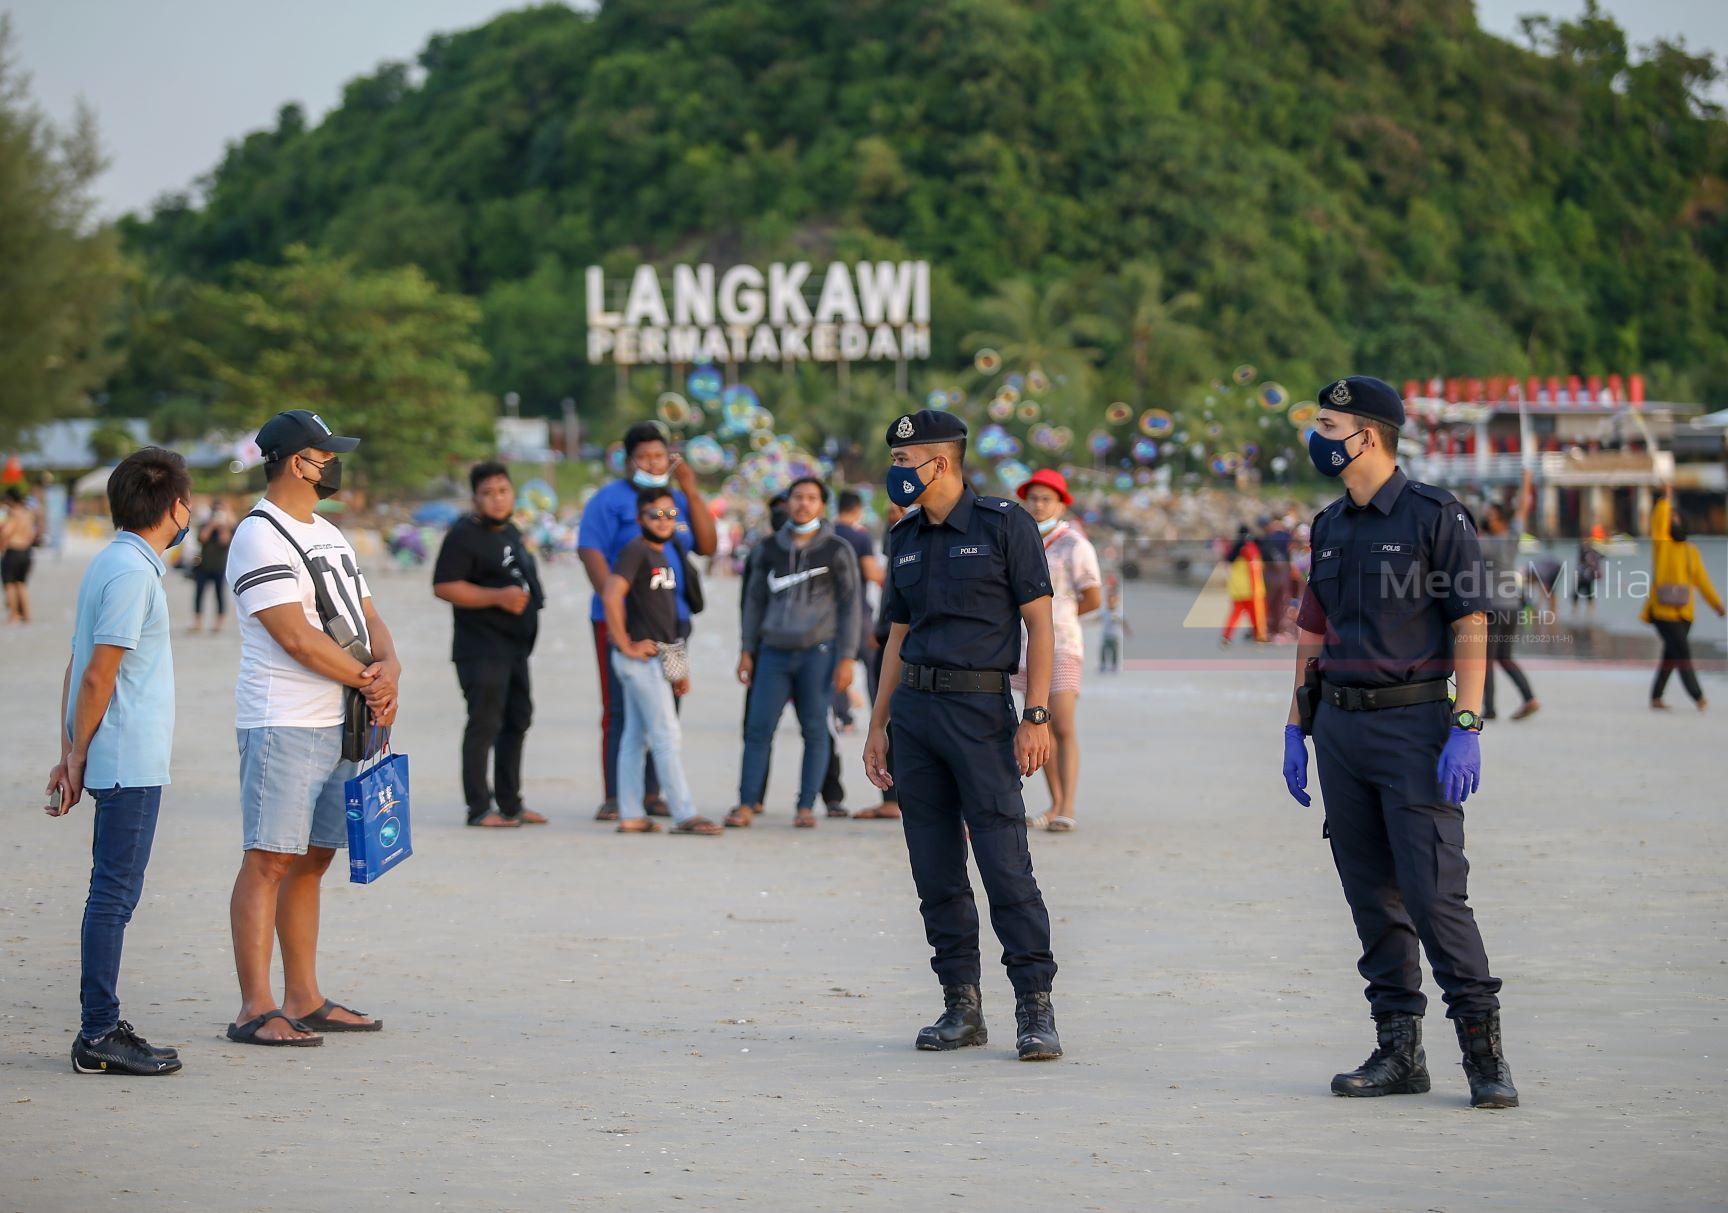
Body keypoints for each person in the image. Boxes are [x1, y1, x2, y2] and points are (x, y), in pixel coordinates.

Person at [1281, 376, 1518, 1110]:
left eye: (1328, 423)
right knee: (1370, 896)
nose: (1316, 436)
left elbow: (1470, 622)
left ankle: (1484, 1057)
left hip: (1415, 729)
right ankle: (1398, 1051)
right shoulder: (1328, 524)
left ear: (1371, 435)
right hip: (1340, 730)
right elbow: (1311, 633)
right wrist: (1295, 724)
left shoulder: (1434, 516)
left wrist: (1467, 725)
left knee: (1432, 892)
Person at [862, 409, 1063, 1062]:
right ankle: (961, 1004)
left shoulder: (1006, 525)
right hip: (915, 716)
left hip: (981, 714)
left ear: (939, 462)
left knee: (1006, 862)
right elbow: (896, 633)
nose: (894, 474)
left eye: (902, 462)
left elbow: (1041, 626)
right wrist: (877, 724)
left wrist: (1037, 717)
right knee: (935, 866)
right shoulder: (906, 536)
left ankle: (1035, 1006)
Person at [223, 410, 401, 1046]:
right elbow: (293, 637)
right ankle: (255, 1006)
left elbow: (368, 612)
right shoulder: (258, 534)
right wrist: (367, 680)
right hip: (284, 720)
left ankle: (303, 995)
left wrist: (390, 666)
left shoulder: (328, 532)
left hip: (342, 720)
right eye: (325, 454)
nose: (333, 463)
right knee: (269, 858)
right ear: (298, 461)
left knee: (312, 859)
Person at [45, 448, 191, 1076]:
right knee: (114, 895)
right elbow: (99, 673)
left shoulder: (116, 562)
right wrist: (76, 754)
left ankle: (100, 1027)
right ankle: (98, 1031)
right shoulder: (133, 574)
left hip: (115, 750)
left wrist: (69, 751)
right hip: (127, 756)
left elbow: (78, 667)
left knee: (111, 892)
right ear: (174, 506)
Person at [578, 422, 717, 821]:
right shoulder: (610, 501)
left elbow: (707, 546)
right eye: (644, 457)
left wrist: (690, 490)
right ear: (628, 460)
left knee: (667, 705)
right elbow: (591, 553)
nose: (653, 463)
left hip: (673, 625)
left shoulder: (674, 501)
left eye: (659, 456)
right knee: (622, 710)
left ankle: (649, 795)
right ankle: (620, 798)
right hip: (626, 626)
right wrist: (621, 619)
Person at [729, 477, 860, 829]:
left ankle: (805, 806)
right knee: (758, 730)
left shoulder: (836, 550)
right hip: (772, 652)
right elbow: (753, 603)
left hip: (818, 652)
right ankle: (745, 803)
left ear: (822, 505)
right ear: (787, 503)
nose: (803, 504)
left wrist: (846, 657)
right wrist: (746, 649)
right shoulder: (767, 549)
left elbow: (851, 606)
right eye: (797, 497)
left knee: (815, 730)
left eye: (811, 498)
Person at [601, 487, 723, 835]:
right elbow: (611, 594)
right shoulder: (636, 550)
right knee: (667, 734)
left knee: (635, 738)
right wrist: (624, 644)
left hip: (660, 657)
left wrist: (678, 668)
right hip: (640, 660)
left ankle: (631, 814)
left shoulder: (665, 553)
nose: (664, 520)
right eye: (655, 514)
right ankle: (685, 813)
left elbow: (666, 621)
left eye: (670, 514)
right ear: (640, 518)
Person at [433, 461, 547, 828]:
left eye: (503, 491)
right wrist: (497, 597)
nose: (497, 500)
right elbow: (444, 586)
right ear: (475, 498)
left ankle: (511, 803)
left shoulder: (510, 530)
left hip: (515, 648)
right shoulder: (463, 535)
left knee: (517, 719)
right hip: (481, 648)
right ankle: (479, 808)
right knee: (484, 722)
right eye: (488, 493)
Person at [1012, 468, 1101, 832]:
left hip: (1062, 644)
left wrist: (1057, 621)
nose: (1038, 504)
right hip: (1022, 645)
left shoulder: (1075, 544)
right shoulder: (1017, 539)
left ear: (1062, 504)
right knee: (1039, 722)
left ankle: (1067, 804)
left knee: (1062, 723)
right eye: (1032, 498)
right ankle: (1052, 803)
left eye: (1046, 498)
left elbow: (1093, 597)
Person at [1643, 492, 1723, 711]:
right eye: (1671, 519)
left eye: (1676, 518)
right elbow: (1658, 523)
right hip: (1662, 614)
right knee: (1682, 654)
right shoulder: (1662, 546)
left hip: (1685, 615)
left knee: (1671, 655)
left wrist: (1717, 605)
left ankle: (1656, 697)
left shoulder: (1691, 552)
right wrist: (1665, 500)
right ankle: (1698, 696)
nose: (1672, 521)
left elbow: (1703, 582)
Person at [854, 502, 906, 820]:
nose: (895, 515)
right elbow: (890, 586)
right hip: (888, 636)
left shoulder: (935, 534)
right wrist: (880, 628)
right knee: (885, 719)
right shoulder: (900, 535)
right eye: (889, 513)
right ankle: (890, 798)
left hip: (918, 644)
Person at [1480, 501, 1540, 721]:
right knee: (1505, 657)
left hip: (1494, 608)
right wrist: (1526, 480)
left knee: (1486, 660)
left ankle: (1490, 709)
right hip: (1513, 607)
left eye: (1490, 515)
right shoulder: (1513, 537)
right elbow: (1522, 510)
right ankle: (1529, 698)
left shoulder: (1486, 543)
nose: (1487, 518)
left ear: (1500, 520)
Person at [190, 502, 234, 633]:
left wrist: (223, 526)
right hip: (203, 566)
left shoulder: (227, 527)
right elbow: (202, 538)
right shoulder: (205, 524)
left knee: (220, 595)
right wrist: (211, 525)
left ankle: (218, 623)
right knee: (199, 594)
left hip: (219, 567)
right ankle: (198, 622)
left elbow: (225, 541)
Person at [1220, 525, 1267, 645]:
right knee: (1256, 615)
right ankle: (1259, 636)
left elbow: (1228, 561)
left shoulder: (1234, 550)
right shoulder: (1251, 548)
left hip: (1237, 589)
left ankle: (1226, 636)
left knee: (1235, 615)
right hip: (1253, 589)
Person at [3, 485, 39, 623]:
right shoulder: (28, 513)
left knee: (10, 584)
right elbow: (32, 533)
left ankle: (13, 615)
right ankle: (27, 614)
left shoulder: (13, 513)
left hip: (13, 550)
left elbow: (7, 531)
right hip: (26, 551)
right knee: (21, 583)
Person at [1098, 587, 1128, 674]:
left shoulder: (1118, 612)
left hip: (1115, 636)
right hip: (1106, 635)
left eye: (1113, 601)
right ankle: (1103, 665)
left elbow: (1123, 622)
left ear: (1116, 601)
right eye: (1109, 601)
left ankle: (1114, 665)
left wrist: (1127, 631)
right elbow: (1097, 619)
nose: (1111, 603)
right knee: (1103, 650)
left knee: (1115, 651)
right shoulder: (1104, 612)